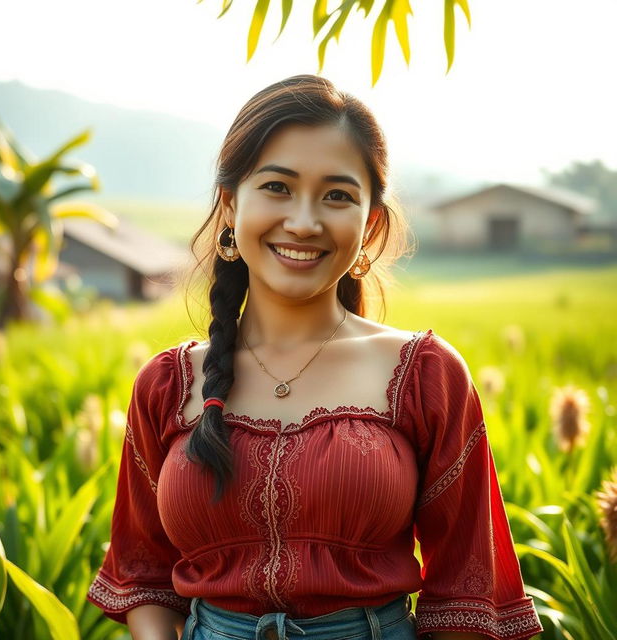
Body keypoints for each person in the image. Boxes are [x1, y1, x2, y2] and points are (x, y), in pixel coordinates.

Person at [86, 74, 543, 640]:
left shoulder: (424, 374)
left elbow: (468, 591)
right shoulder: (168, 384)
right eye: (277, 187)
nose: (303, 221)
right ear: (229, 205)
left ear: (370, 223)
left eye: (337, 195)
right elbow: (143, 572)